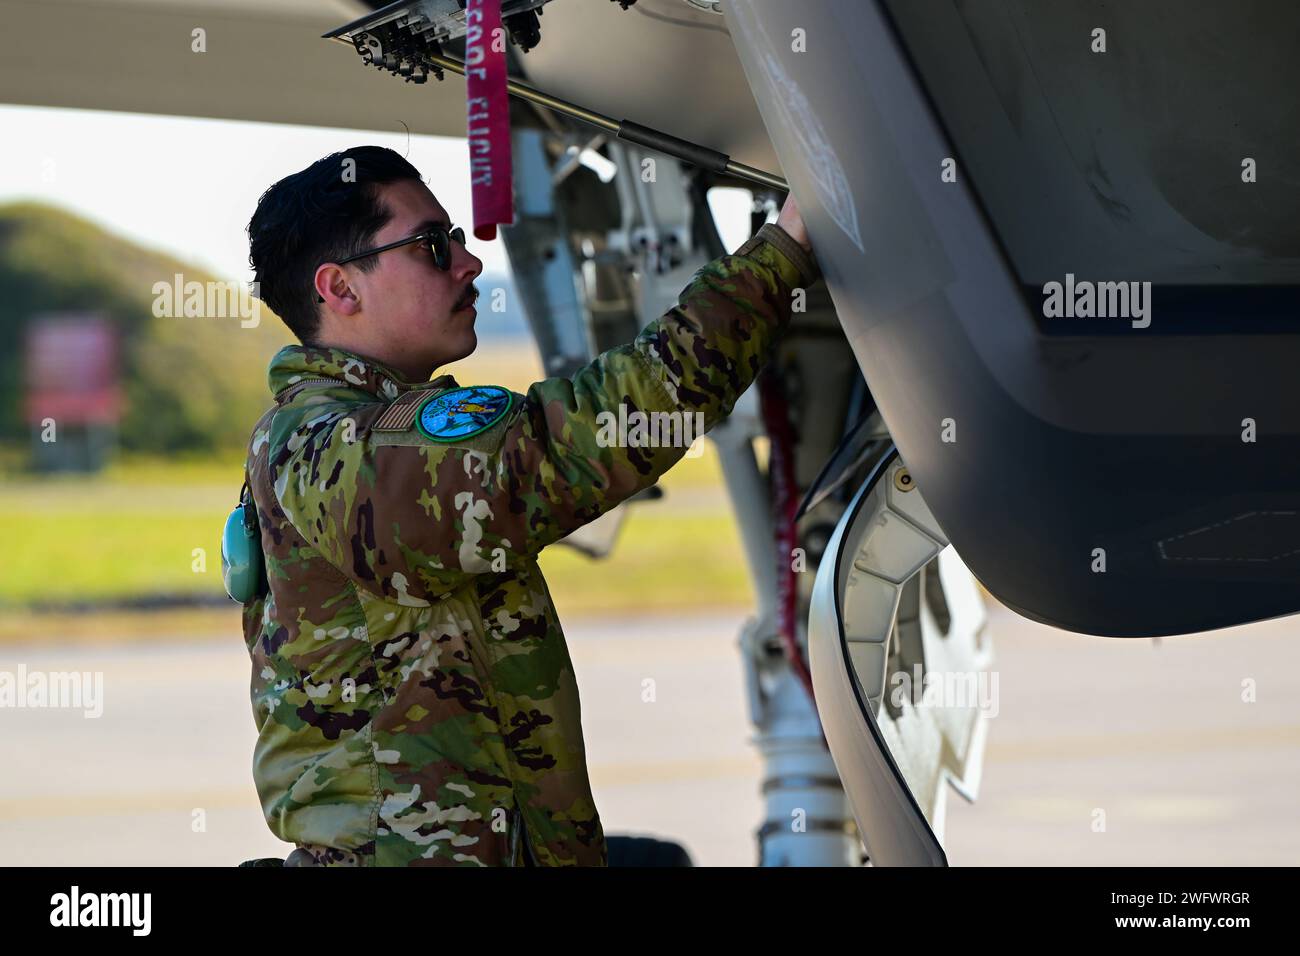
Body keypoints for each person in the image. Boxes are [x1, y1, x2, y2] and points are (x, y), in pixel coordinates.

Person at [240, 144, 819, 866]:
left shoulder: (367, 433)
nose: (467, 261)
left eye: (453, 238)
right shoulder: (328, 447)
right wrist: (782, 252)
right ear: (341, 289)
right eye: (430, 245)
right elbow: (580, 440)